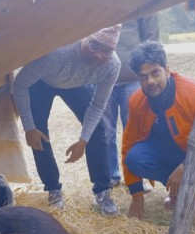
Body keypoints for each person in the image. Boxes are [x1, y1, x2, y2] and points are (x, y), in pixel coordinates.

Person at [122, 41, 195, 222]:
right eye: (143, 77)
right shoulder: (136, 100)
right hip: (171, 154)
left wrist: (186, 168)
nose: (150, 82)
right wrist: (136, 195)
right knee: (134, 157)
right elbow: (127, 145)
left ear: (167, 70)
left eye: (155, 73)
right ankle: (178, 192)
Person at [12, 25, 122, 215]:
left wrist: (83, 141)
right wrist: (29, 127)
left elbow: (97, 106)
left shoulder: (112, 65)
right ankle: (53, 189)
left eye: (107, 50)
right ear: (84, 37)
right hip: (42, 82)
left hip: (76, 85)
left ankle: (102, 191)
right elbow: (20, 84)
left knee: (98, 131)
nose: (98, 55)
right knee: (39, 134)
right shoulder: (56, 53)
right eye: (94, 46)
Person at [102, 15, 160, 187]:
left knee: (138, 129)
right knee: (105, 132)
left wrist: (149, 72)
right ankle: (111, 176)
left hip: (133, 78)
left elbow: (151, 38)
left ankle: (140, 176)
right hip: (102, 77)